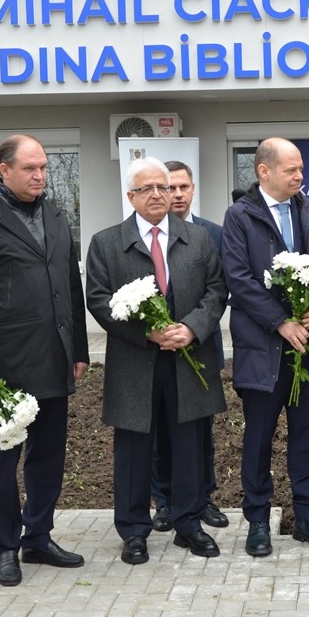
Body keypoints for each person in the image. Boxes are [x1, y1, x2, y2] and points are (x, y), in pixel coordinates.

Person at [0, 134, 90, 587]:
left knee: (48, 457)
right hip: (5, 367)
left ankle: (39, 536)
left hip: (54, 359)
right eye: (30, 168)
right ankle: (6, 546)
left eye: (44, 168)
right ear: (3, 170)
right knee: (2, 460)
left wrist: (81, 351)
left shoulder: (55, 215)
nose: (40, 176)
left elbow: (72, 287)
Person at [85, 157, 228, 565]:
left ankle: (189, 524)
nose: (157, 195)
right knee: (133, 448)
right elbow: (98, 298)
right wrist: (144, 332)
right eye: (146, 189)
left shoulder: (197, 239)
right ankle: (133, 531)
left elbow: (217, 290)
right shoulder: (107, 243)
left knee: (188, 444)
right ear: (130, 196)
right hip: (136, 361)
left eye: (163, 188)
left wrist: (193, 328)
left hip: (188, 358)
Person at [222, 137, 309, 557]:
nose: (299, 176)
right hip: (263, 348)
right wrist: (280, 322)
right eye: (291, 170)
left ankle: (307, 516)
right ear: (264, 171)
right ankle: (257, 520)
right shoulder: (240, 217)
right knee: (258, 438)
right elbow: (238, 279)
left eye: (300, 170)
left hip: (307, 346)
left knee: (306, 436)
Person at [147, 160, 229, 534]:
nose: (176, 194)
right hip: (157, 352)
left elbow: (220, 288)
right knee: (161, 431)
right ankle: (164, 501)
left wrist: (193, 328)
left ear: (193, 189)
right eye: (170, 187)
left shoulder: (213, 233)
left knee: (201, 432)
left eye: (183, 187)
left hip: (200, 349)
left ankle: (203, 497)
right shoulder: (146, 233)